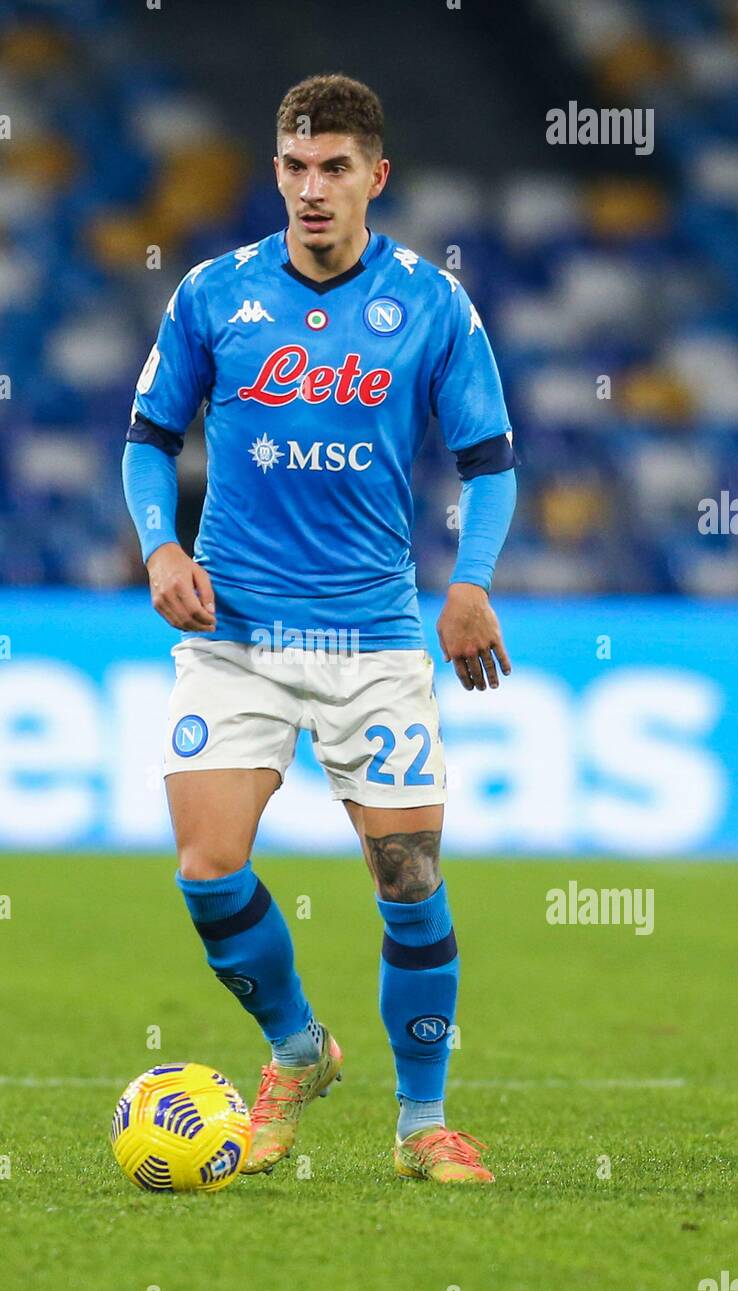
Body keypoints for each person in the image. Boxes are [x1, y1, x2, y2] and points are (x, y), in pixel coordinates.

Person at [122, 73, 517, 1184]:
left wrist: (470, 581)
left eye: (334, 167)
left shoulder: (432, 306)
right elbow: (147, 435)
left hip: (374, 641)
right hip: (234, 631)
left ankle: (419, 1124)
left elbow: (488, 463)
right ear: (276, 171)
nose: (310, 188)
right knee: (207, 870)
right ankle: (298, 1050)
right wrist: (161, 544)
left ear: (373, 178)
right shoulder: (211, 294)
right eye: (294, 166)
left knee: (405, 874)